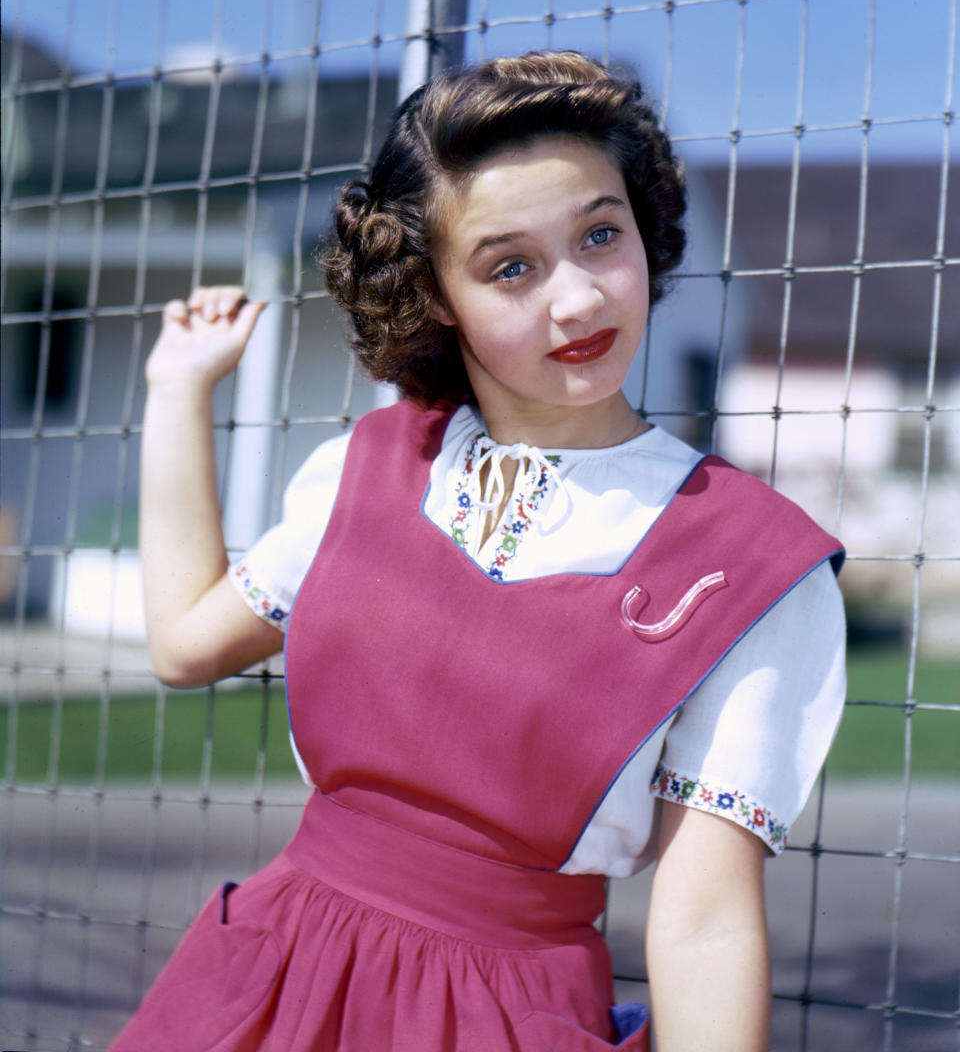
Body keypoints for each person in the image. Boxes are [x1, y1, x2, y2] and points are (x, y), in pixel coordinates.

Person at [111, 51, 846, 1052]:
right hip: (272, 977)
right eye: (512, 267)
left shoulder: (755, 565)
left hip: (503, 1018)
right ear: (438, 294)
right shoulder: (364, 468)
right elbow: (184, 643)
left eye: (600, 234)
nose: (580, 301)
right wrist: (176, 391)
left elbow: (705, 917)